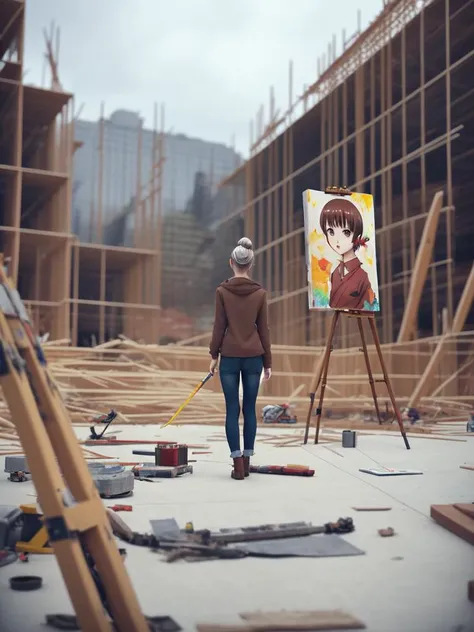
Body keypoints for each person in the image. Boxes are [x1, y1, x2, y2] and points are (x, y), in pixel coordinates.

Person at [209, 237, 272, 480]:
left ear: (230, 263)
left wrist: (214, 355)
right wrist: (268, 362)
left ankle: (237, 465)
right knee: (250, 409)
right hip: (254, 357)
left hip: (230, 358)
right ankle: (247, 460)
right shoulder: (260, 294)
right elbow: (264, 330)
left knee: (232, 409)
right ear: (251, 264)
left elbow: (219, 326)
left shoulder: (222, 292)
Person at [319, 197, 376, 310]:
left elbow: (368, 305)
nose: (337, 240)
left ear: (358, 237)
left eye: (346, 232)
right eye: (331, 231)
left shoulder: (362, 276)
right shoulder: (335, 273)